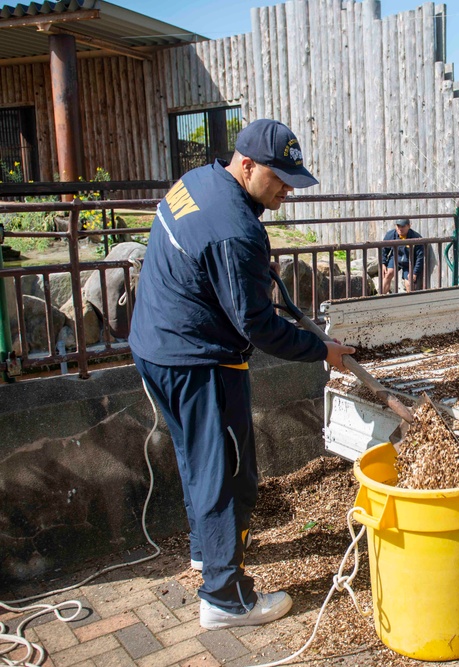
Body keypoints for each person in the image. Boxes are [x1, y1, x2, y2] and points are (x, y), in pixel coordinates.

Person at [128, 119, 355, 630]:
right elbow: (258, 326)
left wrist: (250, 265)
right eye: (280, 178)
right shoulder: (237, 231)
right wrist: (323, 351)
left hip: (154, 347)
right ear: (247, 165)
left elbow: (207, 253)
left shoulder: (198, 181)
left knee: (197, 458)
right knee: (228, 475)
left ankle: (207, 555)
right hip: (198, 363)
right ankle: (226, 599)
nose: (288, 190)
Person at [380, 218, 426, 293]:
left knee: (409, 283)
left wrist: (414, 272)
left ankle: (411, 303)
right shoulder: (390, 234)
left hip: (409, 262)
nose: (400, 229)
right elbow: (384, 249)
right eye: (398, 226)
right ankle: (380, 298)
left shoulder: (416, 237)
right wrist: (383, 263)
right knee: (388, 274)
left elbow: (419, 257)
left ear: (409, 226)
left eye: (403, 226)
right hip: (395, 258)